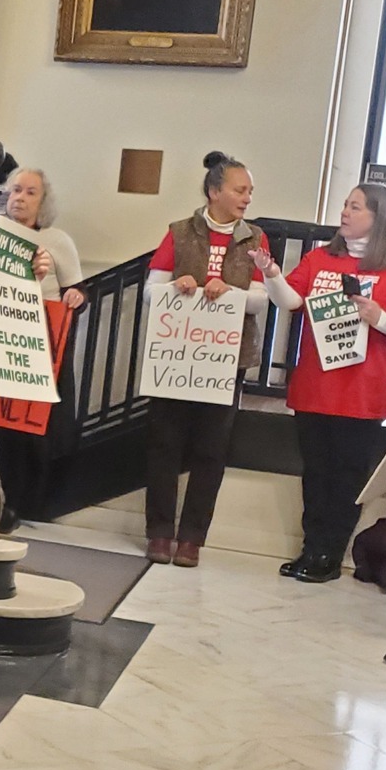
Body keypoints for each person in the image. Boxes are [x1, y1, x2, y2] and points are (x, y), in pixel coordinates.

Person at [258, 183, 386, 583]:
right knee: (315, 473)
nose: (345, 212)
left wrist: (379, 317)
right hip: (316, 384)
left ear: (378, 215)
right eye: (346, 205)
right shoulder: (321, 258)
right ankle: (311, 548)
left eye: (355, 207)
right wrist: (271, 275)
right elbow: (291, 302)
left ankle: (329, 554)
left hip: (364, 390)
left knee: (346, 476)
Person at [143, 151, 269, 567]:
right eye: (239, 189)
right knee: (164, 444)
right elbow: (150, 291)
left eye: (249, 190)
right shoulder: (179, 232)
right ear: (214, 191)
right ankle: (159, 533)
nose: (247, 197)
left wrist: (229, 292)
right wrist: (176, 285)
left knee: (212, 450)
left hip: (226, 361)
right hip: (176, 359)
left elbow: (261, 299)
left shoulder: (256, 239)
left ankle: (192, 538)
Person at [0, 167, 85, 520]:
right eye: (15, 190)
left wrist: (76, 296)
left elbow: (76, 288)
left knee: (35, 429)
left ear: (43, 201)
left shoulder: (57, 240)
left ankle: (31, 502)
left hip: (42, 344)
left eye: (30, 192)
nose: (20, 197)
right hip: (0, 339)